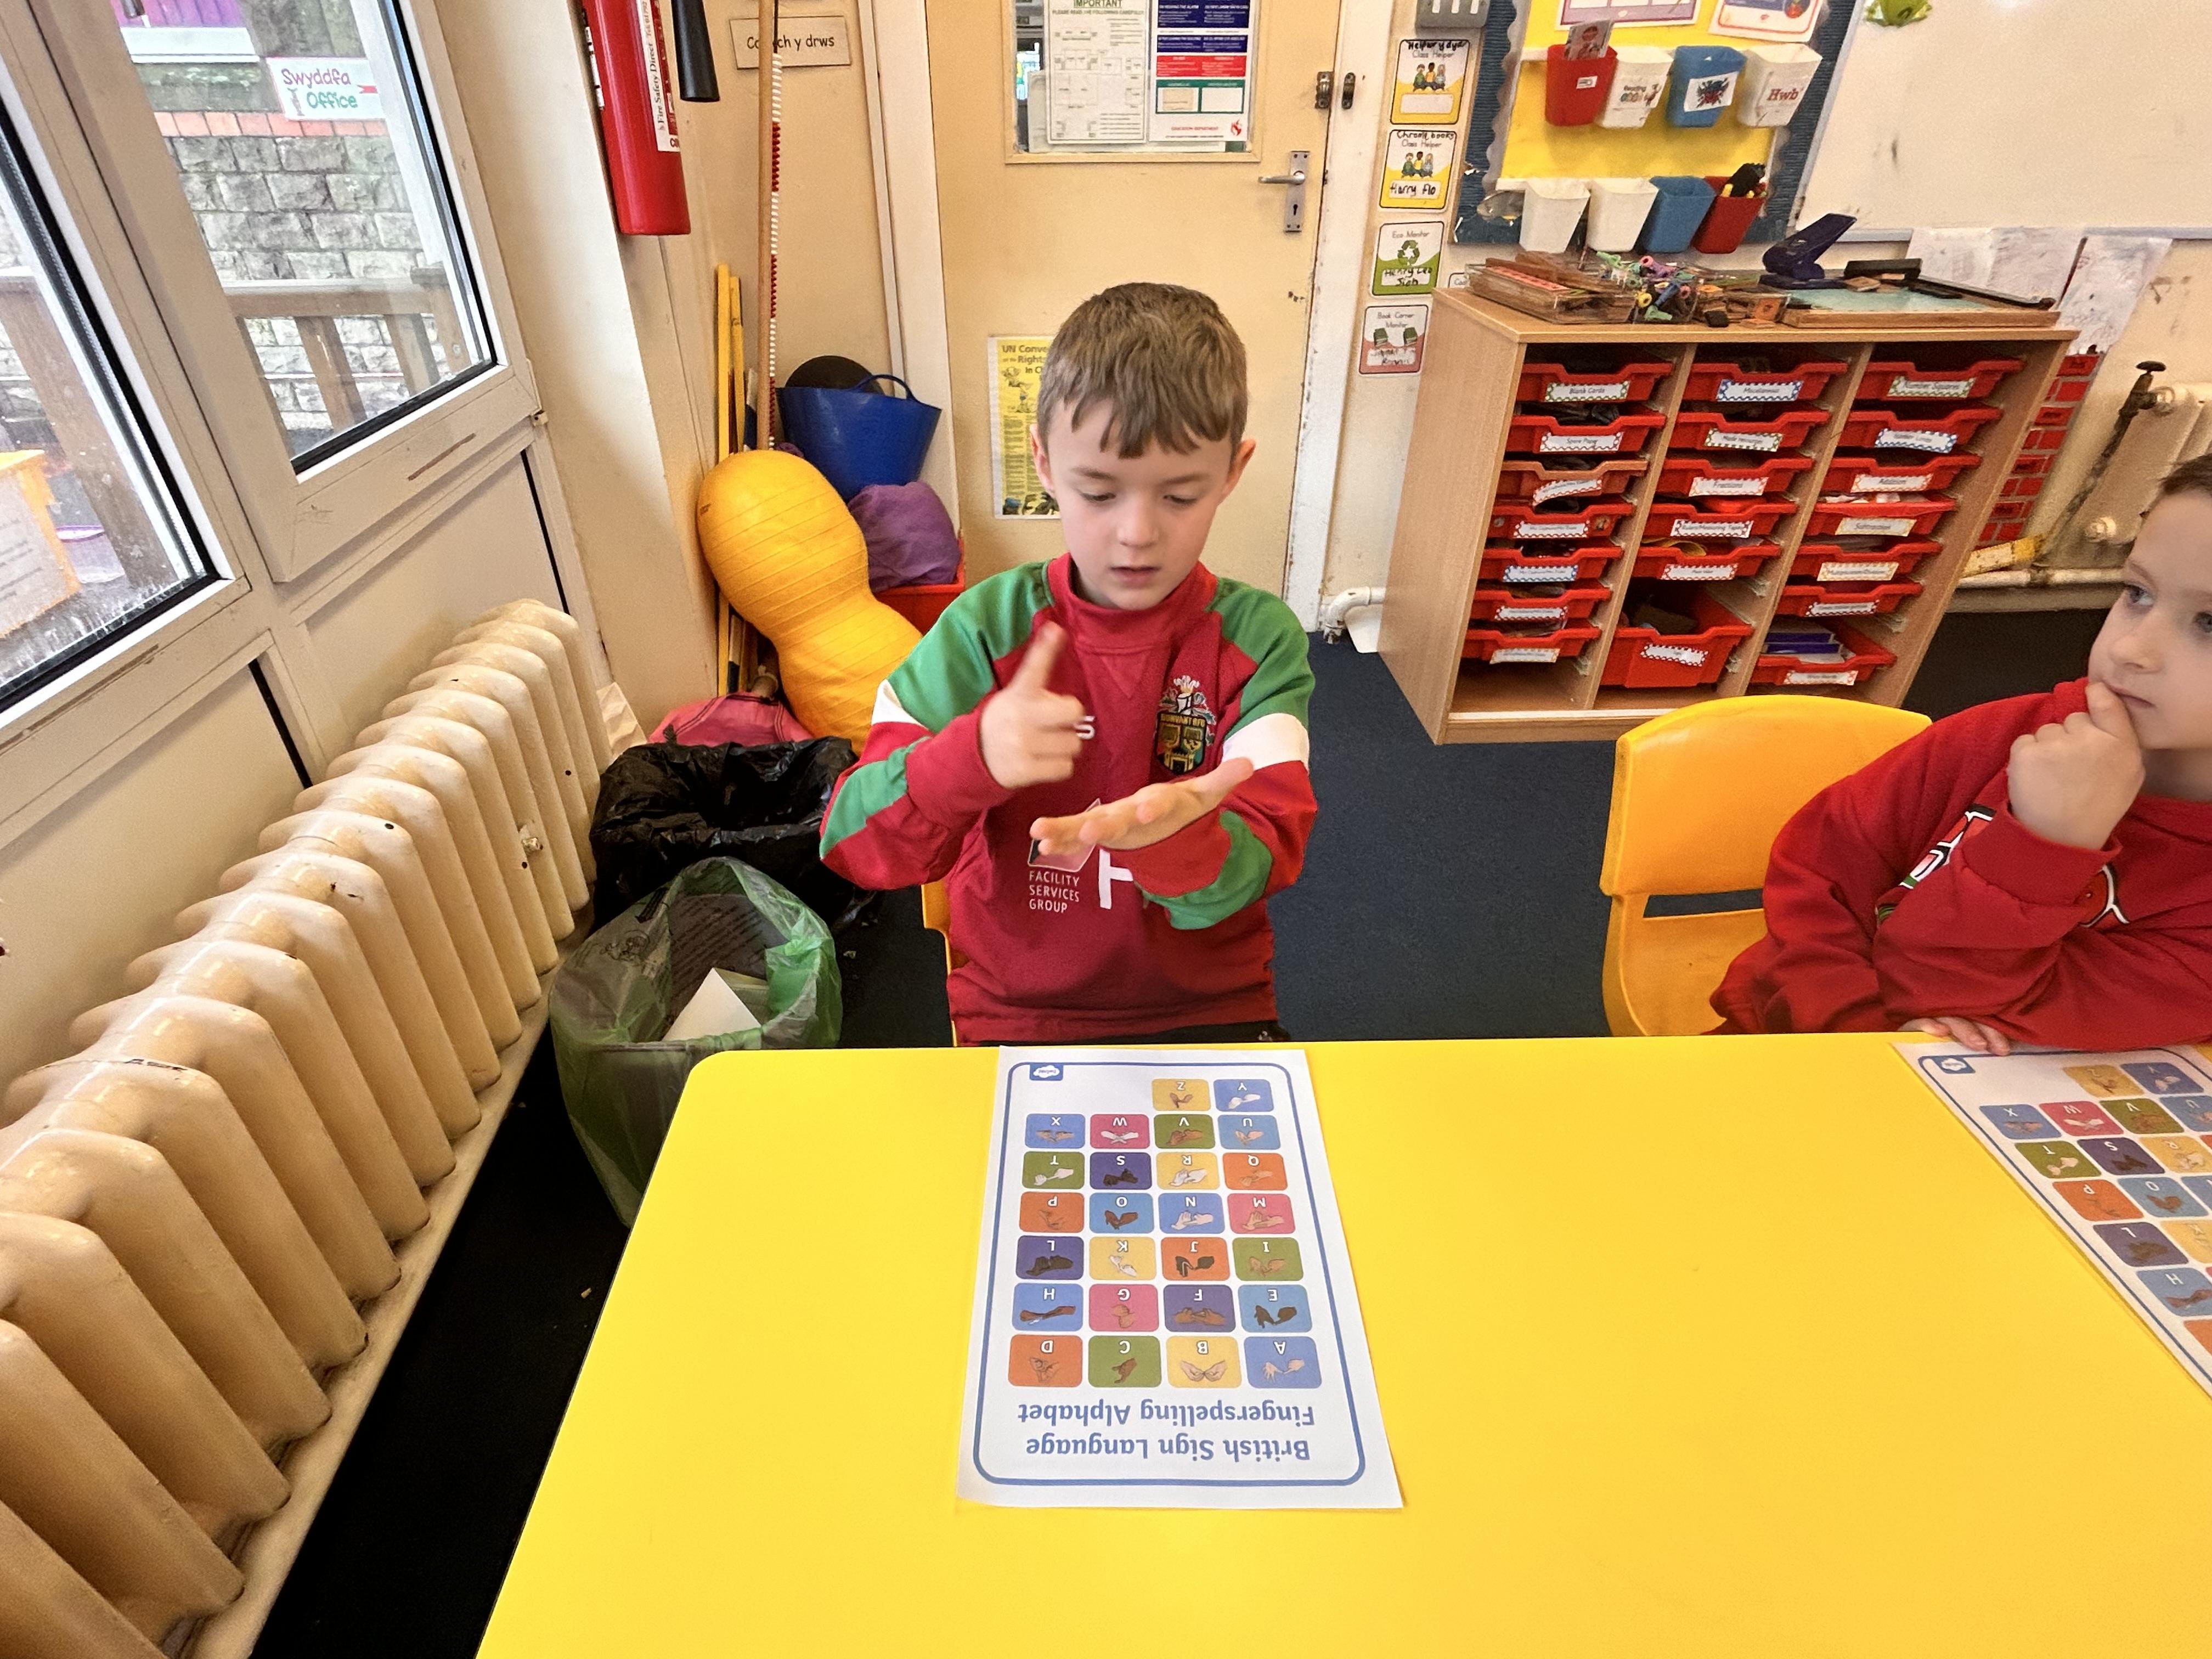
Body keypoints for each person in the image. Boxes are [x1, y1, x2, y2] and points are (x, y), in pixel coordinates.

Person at [820, 283, 1316, 1043]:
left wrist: (1178, 838)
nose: (1137, 534)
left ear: (1232, 471)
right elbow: (855, 844)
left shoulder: (1258, 639)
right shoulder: (983, 631)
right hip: (1015, 1010)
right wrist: (971, 758)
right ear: (1045, 463)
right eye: (1099, 492)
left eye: (1180, 496)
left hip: (1209, 1003)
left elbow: (1266, 858)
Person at [1712, 455, 2212, 1051]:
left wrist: (2046, 846)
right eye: (2137, 593)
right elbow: (1818, 879)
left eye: (2209, 623)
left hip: (2004, 1092)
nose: (2131, 649)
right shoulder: (2001, 735)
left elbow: (1972, 1002)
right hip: (1797, 1047)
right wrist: (1866, 1031)